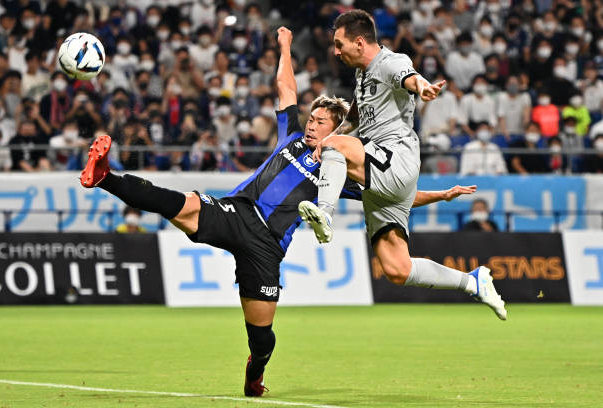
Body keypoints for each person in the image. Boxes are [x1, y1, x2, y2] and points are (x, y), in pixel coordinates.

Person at [79, 26, 478, 398]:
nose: (311, 124)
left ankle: (256, 371)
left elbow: (393, 196)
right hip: (237, 211)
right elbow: (285, 86)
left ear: (336, 131)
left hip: (267, 247)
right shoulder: (290, 135)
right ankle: (105, 177)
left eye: (321, 122)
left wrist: (441, 194)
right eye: (311, 118)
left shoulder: (340, 168)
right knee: (178, 203)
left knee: (262, 337)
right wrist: (285, 47)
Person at [297, 10, 506, 322]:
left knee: (332, 147)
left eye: (339, 44)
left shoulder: (390, 61)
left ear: (358, 42)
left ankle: (325, 215)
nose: (335, 51)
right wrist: (337, 136)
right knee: (397, 269)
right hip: (383, 180)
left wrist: (422, 87)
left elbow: (409, 77)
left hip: (395, 157)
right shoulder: (362, 74)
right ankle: (473, 282)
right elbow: (357, 116)